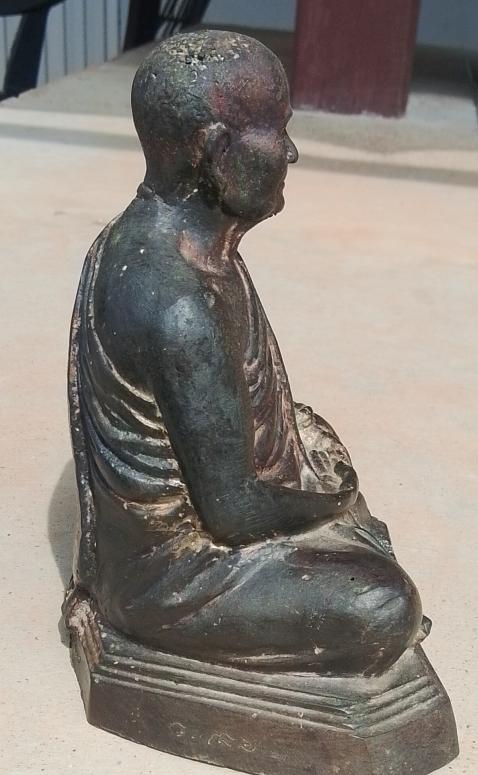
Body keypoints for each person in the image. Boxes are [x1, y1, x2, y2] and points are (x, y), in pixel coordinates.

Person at [68, 30, 426, 675]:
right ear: (213, 151)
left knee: (318, 445)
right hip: (174, 580)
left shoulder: (190, 246)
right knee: (384, 604)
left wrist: (302, 455)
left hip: (209, 523)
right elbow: (233, 515)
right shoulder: (178, 303)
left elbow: (244, 424)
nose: (291, 151)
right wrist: (332, 499)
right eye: (276, 131)